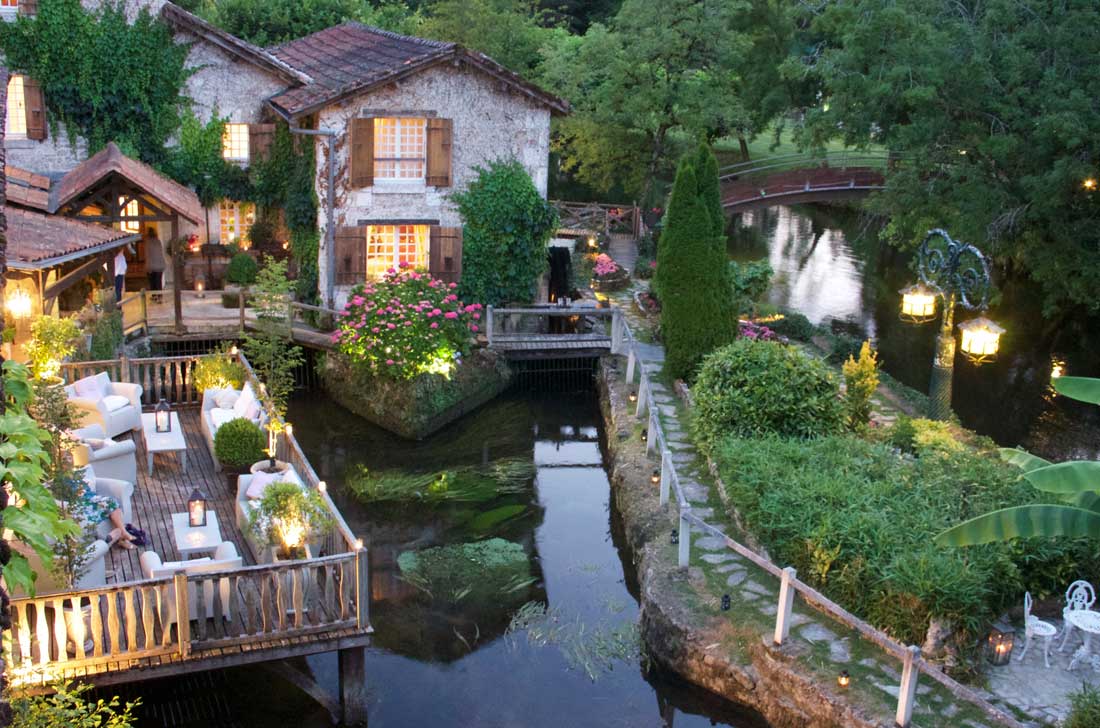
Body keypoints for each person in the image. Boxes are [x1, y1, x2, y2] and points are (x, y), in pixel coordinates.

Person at [144, 226, 166, 294]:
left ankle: (154, 297)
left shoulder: (148, 242)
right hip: (161, 265)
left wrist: (147, 268)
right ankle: (159, 296)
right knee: (158, 283)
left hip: (152, 266)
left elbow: (147, 256)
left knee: (152, 284)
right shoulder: (158, 241)